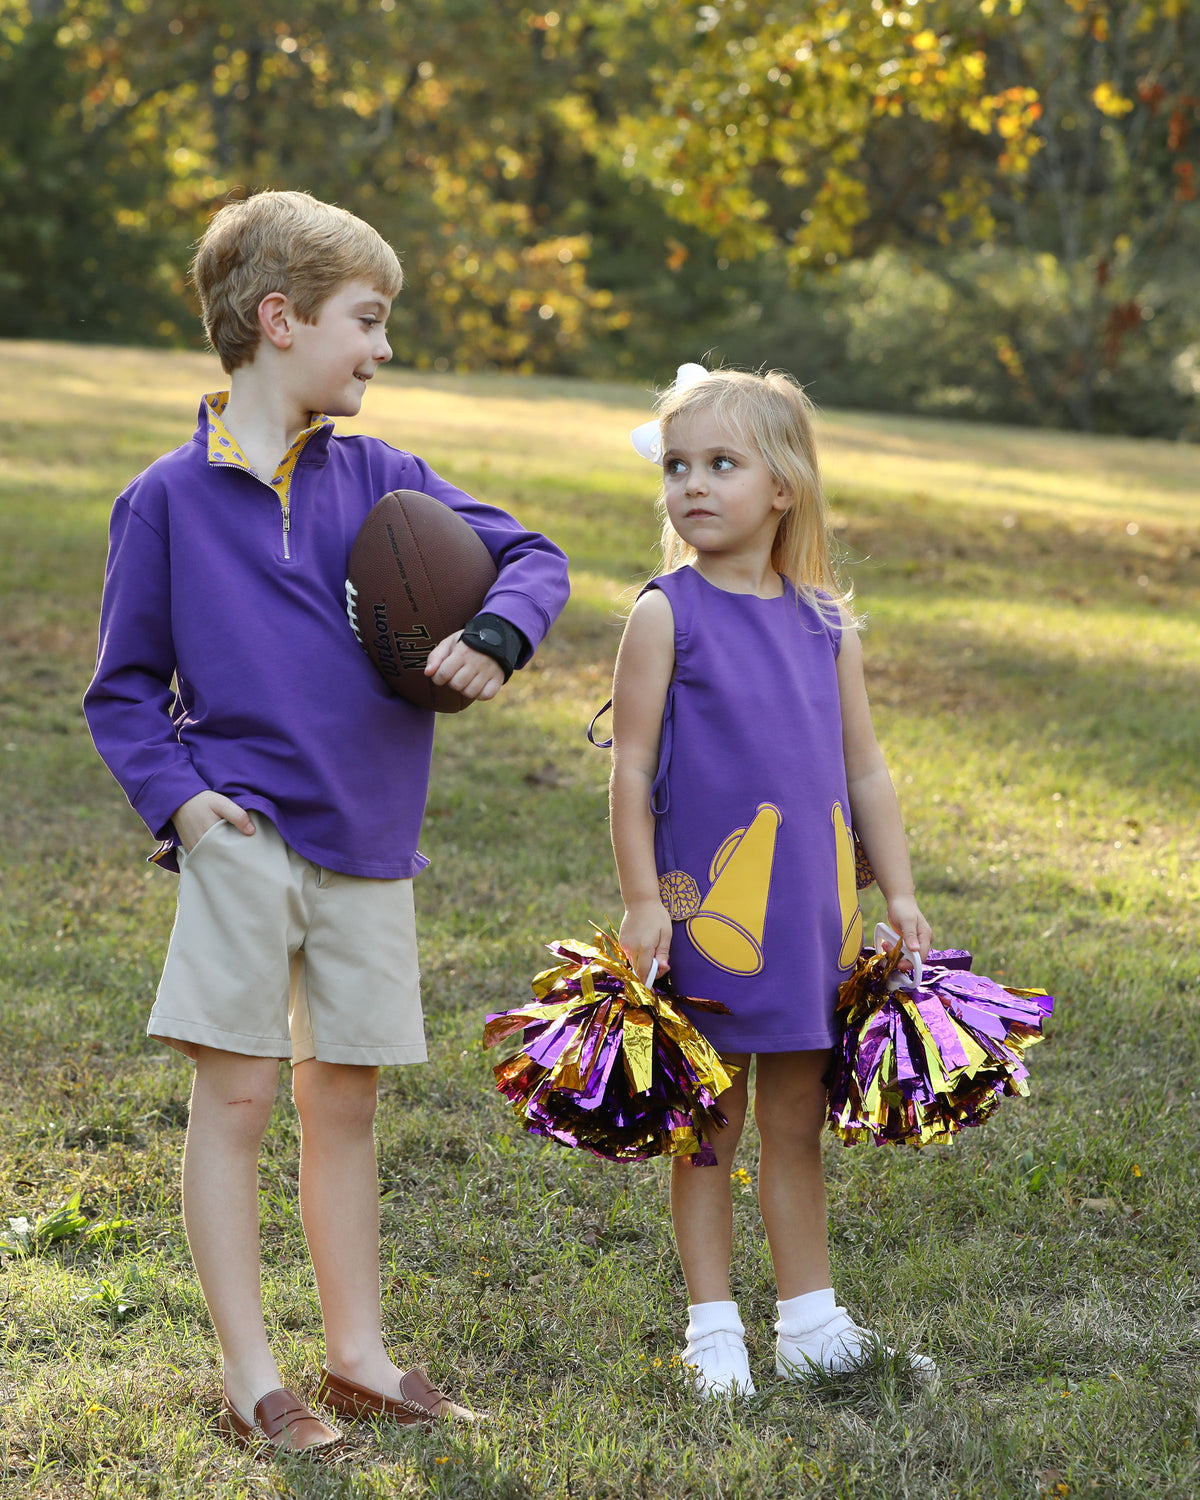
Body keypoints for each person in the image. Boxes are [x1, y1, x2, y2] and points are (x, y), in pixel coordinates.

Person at [83, 190, 570, 1452]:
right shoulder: (166, 501)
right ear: (279, 318)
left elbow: (535, 556)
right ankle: (254, 1375)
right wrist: (182, 806)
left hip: (370, 842)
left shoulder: (386, 480)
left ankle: (356, 1354)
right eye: (369, 319)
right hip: (240, 837)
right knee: (238, 1101)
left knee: (342, 1100)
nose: (384, 348)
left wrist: (498, 636)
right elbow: (122, 692)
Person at [607, 364, 935, 1398]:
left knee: (796, 1122)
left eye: (720, 464)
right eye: (676, 467)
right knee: (709, 1125)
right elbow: (628, 769)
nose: (692, 486)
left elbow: (865, 767)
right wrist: (641, 900)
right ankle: (713, 1329)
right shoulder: (666, 615)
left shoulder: (825, 623)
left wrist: (900, 892)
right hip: (706, 915)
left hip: (810, 919)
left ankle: (809, 1320)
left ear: (782, 486)